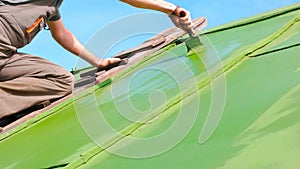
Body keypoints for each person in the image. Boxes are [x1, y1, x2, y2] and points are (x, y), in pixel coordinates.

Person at [0, 0, 194, 126]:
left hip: (6, 55)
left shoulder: (51, 7)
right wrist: (172, 8)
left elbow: (62, 34)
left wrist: (97, 61)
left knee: (61, 80)